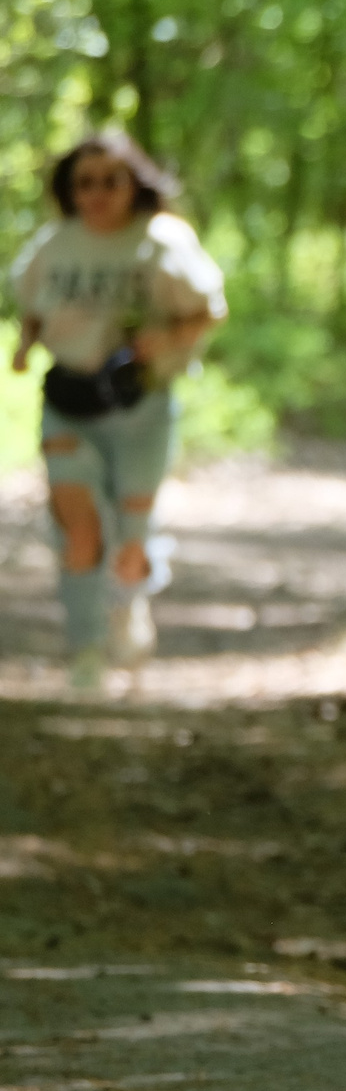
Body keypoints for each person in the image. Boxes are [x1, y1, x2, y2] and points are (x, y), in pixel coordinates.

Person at [8, 130, 226, 691]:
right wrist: (26, 344)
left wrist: (167, 337)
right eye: (85, 183)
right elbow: (32, 303)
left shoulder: (162, 240)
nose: (98, 193)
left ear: (134, 183)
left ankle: (128, 604)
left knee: (131, 536)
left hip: (140, 406)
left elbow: (210, 309)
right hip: (68, 402)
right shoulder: (55, 243)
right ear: (70, 190)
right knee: (78, 527)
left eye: (111, 180)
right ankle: (85, 651)